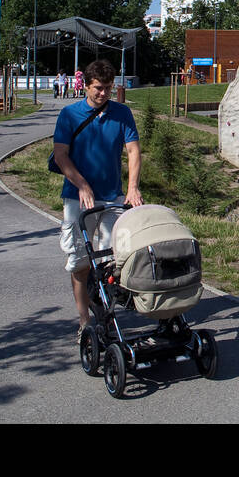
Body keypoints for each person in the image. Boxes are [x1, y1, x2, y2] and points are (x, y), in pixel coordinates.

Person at [54, 59, 143, 338]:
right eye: (97, 88)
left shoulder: (122, 114)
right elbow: (60, 155)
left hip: (112, 198)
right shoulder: (70, 115)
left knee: (111, 263)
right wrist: (81, 184)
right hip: (77, 199)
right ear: (86, 86)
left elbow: (133, 151)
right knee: (80, 262)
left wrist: (132, 188)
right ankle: (84, 321)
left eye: (107, 88)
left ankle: (106, 316)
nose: (102, 93)